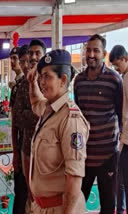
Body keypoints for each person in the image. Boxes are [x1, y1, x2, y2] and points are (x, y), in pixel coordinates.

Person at [28, 49, 89, 213]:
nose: (42, 82)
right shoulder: (48, 109)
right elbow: (35, 103)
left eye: (47, 76)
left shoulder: (70, 118)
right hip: (42, 207)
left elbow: (74, 177)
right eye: (41, 77)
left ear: (63, 80)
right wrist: (32, 82)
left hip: (61, 208)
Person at [74, 34, 123, 214]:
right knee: (77, 203)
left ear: (104, 53)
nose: (91, 54)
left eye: (96, 50)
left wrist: (119, 147)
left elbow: (120, 114)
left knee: (108, 206)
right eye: (89, 50)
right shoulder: (78, 81)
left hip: (107, 156)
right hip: (83, 156)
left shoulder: (114, 79)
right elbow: (78, 116)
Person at [10, 45, 39, 214]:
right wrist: (15, 153)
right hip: (24, 147)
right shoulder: (18, 87)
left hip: (43, 151)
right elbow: (16, 121)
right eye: (23, 61)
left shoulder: (44, 84)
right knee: (21, 195)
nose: (26, 65)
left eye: (28, 61)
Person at [109, 45, 128, 214]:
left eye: (117, 65)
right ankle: (120, 210)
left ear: (125, 59)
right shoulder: (124, 78)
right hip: (123, 138)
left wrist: (122, 138)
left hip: (126, 139)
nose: (116, 69)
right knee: (121, 179)